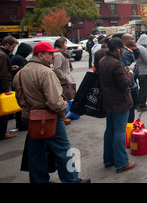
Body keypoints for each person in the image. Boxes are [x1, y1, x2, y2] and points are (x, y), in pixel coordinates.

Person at [13, 42, 90, 183]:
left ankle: (39, 180)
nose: (53, 56)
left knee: (36, 152)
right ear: (40, 55)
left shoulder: (20, 72)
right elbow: (54, 102)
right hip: (48, 117)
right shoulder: (46, 72)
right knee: (62, 150)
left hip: (29, 115)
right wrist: (64, 107)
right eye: (50, 54)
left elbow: (18, 99)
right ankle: (71, 180)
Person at [98, 37, 136, 173]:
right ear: (118, 49)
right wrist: (130, 72)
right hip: (120, 101)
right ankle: (121, 163)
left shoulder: (103, 60)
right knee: (119, 131)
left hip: (108, 100)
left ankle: (108, 159)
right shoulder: (116, 63)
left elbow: (112, 79)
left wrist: (124, 72)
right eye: (121, 50)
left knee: (110, 130)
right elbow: (124, 83)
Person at [53, 37, 76, 125]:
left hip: (66, 79)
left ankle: (66, 115)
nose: (66, 46)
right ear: (61, 45)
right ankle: (65, 116)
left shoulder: (62, 53)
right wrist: (63, 77)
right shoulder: (59, 55)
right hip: (64, 81)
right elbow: (57, 68)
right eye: (65, 44)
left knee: (69, 96)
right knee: (65, 97)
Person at [11, 42, 33, 131]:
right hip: (21, 84)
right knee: (22, 106)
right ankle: (22, 124)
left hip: (16, 83)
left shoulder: (15, 57)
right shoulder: (20, 59)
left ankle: (20, 123)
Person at [0, 36, 18, 140]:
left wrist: (10, 67)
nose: (13, 49)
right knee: (4, 110)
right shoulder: (3, 55)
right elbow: (3, 73)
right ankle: (3, 133)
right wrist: (6, 89)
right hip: (2, 87)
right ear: (7, 45)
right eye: (12, 47)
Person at [121, 33, 140, 122]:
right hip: (130, 83)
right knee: (130, 107)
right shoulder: (124, 53)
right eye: (131, 39)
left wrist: (135, 49)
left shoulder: (129, 50)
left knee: (133, 105)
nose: (133, 41)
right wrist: (132, 83)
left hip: (133, 80)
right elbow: (127, 69)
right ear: (126, 40)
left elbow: (135, 58)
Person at [135, 34, 147, 111]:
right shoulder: (142, 49)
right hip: (145, 72)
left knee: (141, 88)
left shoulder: (138, 47)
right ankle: (142, 105)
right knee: (145, 89)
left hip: (139, 72)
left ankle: (138, 103)